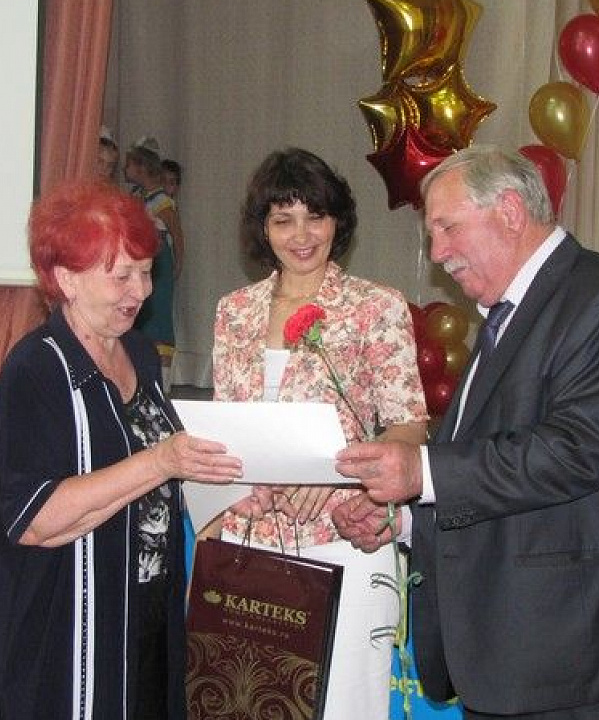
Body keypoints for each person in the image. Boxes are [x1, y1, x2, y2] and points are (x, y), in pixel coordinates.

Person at [333, 146, 599, 720]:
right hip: (516, 656)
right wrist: (403, 521)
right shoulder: (509, 313)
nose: (438, 254)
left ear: (509, 211)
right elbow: (493, 469)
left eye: (448, 228)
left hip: (580, 658)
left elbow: (574, 453)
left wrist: (421, 471)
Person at [0, 180, 242, 720]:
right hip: (66, 625)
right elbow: (35, 521)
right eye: (121, 275)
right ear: (66, 279)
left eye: (146, 271)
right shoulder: (36, 368)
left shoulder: (139, 352)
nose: (140, 291)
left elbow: (162, 481)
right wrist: (159, 461)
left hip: (146, 611)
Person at [211, 148, 428, 718]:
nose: (301, 235)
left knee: (343, 704)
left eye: (315, 216)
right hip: (248, 538)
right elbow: (228, 429)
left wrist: (340, 471)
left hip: (343, 538)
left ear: (338, 220)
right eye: (283, 220)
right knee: (248, 703)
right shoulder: (234, 311)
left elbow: (408, 426)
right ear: (263, 229)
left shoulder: (375, 306)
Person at [125, 143, 185, 383]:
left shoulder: (162, 202)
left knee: (159, 316)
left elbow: (177, 235)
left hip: (159, 262)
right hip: (140, 260)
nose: (125, 170)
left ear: (141, 168)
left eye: (129, 165)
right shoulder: (137, 197)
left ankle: (164, 379)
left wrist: (178, 262)